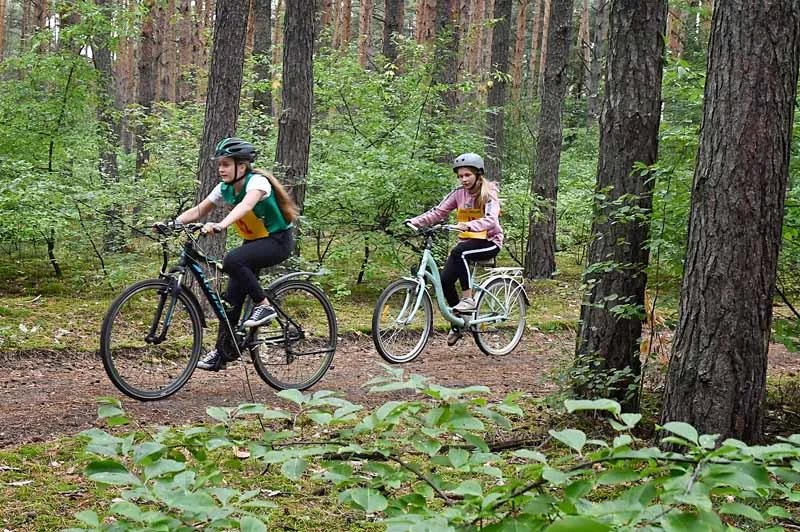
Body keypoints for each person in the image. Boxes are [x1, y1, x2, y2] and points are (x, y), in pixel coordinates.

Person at [167, 137, 298, 371]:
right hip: (254, 243)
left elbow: (246, 206)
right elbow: (199, 210)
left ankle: (263, 304)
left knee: (233, 260)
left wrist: (222, 224)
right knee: (231, 300)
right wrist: (171, 223)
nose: (221, 169)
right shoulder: (224, 188)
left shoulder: (258, 183)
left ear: (242, 166)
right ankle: (223, 351)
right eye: (219, 164)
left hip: (277, 242)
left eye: (226, 164)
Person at [406, 152, 503, 347]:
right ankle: (458, 324)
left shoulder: (489, 193)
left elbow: (492, 219)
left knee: (459, 252)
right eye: (460, 176)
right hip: (468, 243)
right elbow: (438, 212)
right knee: (444, 281)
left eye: (467, 175)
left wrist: (471, 225)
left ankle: (468, 300)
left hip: (490, 241)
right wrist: (416, 221)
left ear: (477, 174)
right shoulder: (458, 194)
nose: (464, 179)